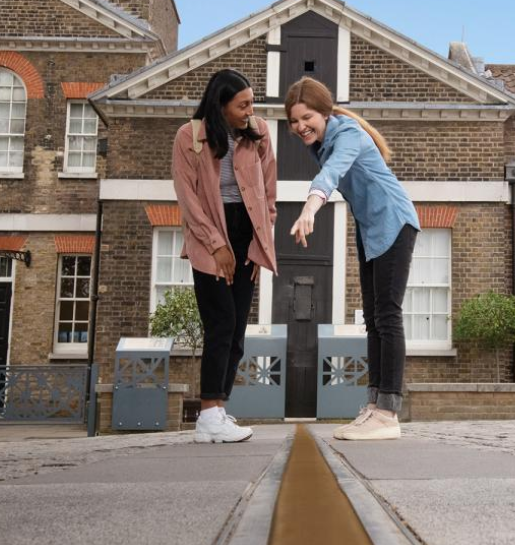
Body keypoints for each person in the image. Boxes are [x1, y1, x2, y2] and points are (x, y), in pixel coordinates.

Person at [285, 77, 419, 441]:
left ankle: (388, 412)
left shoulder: (346, 134)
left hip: (393, 221)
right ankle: (374, 406)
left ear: (325, 112)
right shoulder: (320, 143)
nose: (300, 127)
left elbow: (332, 174)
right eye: (294, 121)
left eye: (307, 117)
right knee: (374, 319)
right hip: (370, 230)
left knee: (388, 315)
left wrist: (310, 207)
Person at [172, 69, 277, 443]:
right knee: (220, 322)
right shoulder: (190, 137)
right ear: (220, 105)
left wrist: (259, 245)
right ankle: (208, 415)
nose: (250, 111)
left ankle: (218, 410)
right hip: (209, 236)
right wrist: (216, 244)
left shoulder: (259, 133)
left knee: (236, 332)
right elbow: (189, 199)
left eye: (251, 103)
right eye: (242, 105)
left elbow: (269, 195)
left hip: (247, 236)